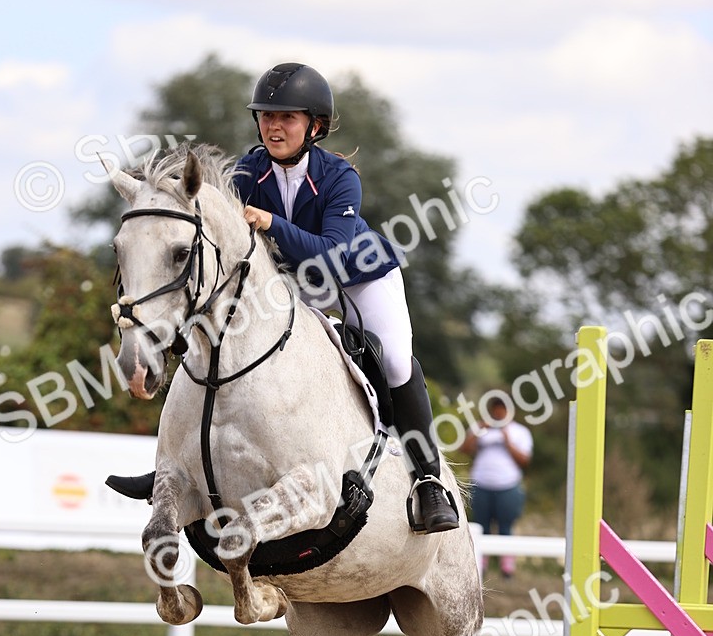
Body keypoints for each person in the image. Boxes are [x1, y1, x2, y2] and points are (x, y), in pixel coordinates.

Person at [109, 61, 459, 534]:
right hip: (292, 280)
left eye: (287, 118)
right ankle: (175, 469)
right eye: (267, 117)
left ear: (313, 125)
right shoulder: (249, 171)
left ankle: (428, 480)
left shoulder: (340, 177)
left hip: (358, 276)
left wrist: (272, 223)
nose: (274, 126)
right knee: (220, 333)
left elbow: (333, 256)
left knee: (395, 360)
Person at [460, 393, 533, 577]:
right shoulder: (480, 428)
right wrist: (478, 431)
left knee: (505, 527)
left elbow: (525, 460)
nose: (499, 414)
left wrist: (507, 441)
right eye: (496, 411)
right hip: (481, 484)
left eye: (503, 411)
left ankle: (506, 568)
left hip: (508, 486)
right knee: (480, 525)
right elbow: (464, 449)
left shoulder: (520, 432)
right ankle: (479, 566)